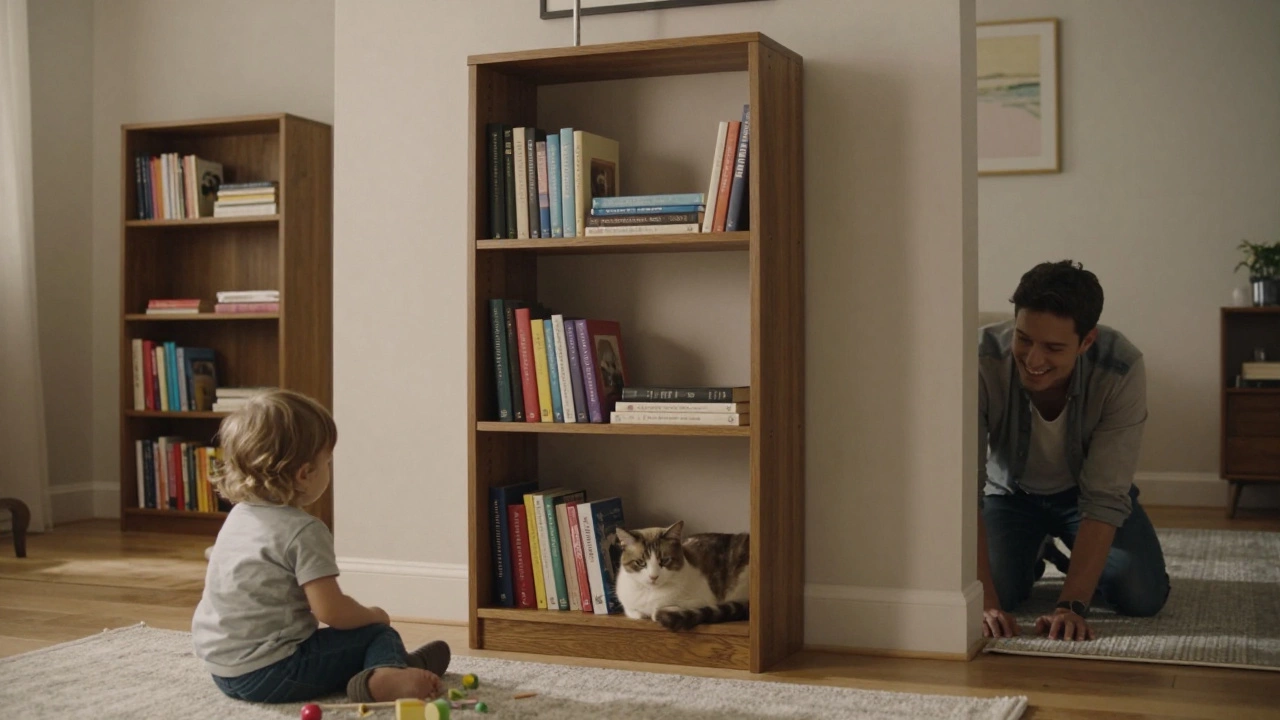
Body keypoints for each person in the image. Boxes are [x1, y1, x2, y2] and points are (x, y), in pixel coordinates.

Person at [192, 389, 450, 704]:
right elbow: (331, 611)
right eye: (327, 461)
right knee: (378, 635)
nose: (329, 468)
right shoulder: (303, 530)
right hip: (274, 672)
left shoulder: (239, 517)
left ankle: (399, 667)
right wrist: (373, 615)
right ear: (304, 473)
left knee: (345, 647)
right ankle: (386, 676)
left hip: (223, 672)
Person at [978, 260, 1170, 642]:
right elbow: (961, 489)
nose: (1033, 360)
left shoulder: (1121, 368)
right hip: (1010, 496)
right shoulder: (981, 358)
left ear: (1086, 342)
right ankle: (1037, 549)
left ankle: (1066, 555)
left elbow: (1105, 495)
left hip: (1085, 498)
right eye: (1024, 339)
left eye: (1052, 347)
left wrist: (1071, 605)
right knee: (999, 592)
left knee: (1142, 595)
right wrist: (981, 601)